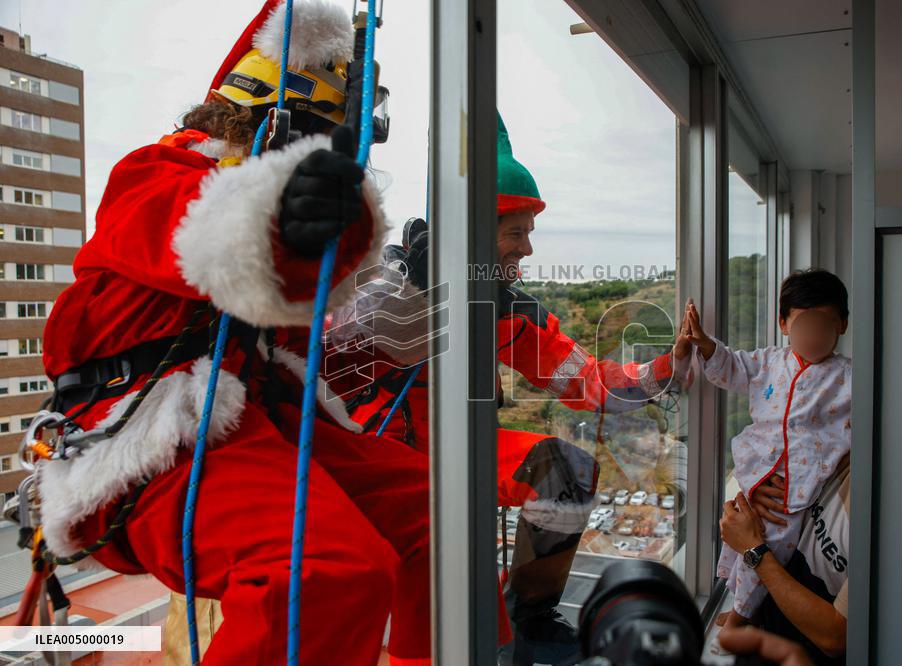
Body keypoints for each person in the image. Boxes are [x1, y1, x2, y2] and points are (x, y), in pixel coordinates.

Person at [35, 1, 432, 664]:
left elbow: (324, 322)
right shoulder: (155, 176)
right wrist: (293, 207)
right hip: (150, 443)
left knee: (440, 512)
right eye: (312, 138)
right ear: (270, 124)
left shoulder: (256, 205)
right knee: (322, 571)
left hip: (256, 427)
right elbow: (213, 237)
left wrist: (389, 272)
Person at [325, 113, 683, 664]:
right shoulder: (381, 284)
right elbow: (328, 370)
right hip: (376, 453)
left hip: (461, 450)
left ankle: (532, 614)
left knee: (565, 471)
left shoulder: (507, 309)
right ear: (474, 229)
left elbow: (584, 380)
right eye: (516, 233)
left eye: (528, 234)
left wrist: (665, 368)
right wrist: (407, 303)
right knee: (447, 566)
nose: (527, 251)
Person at [672, 269, 851, 627]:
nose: (813, 336)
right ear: (784, 324)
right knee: (736, 536)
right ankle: (736, 598)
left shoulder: (848, 377)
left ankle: (742, 613)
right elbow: (731, 368)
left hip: (794, 488)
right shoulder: (769, 362)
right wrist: (704, 343)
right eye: (804, 325)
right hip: (755, 474)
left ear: (842, 325)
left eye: (825, 325)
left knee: (769, 544)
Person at [717, 456, 849, 665]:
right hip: (769, 634)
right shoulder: (835, 455)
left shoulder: (879, 516)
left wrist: (753, 550)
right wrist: (763, 486)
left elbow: (834, 637)